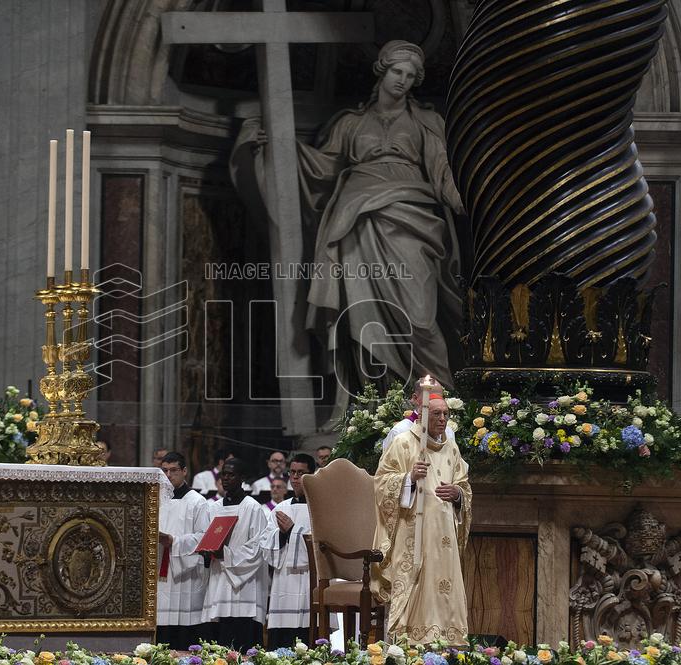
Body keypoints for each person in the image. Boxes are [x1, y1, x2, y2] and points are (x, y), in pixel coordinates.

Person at [233, 40, 465, 406]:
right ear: (382, 71)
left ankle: (440, 399)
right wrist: (276, 146)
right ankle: (373, 405)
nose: (402, 80)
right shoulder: (349, 123)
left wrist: (472, 202)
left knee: (420, 318)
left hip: (411, 220)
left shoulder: (427, 121)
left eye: (410, 75)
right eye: (397, 71)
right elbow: (320, 169)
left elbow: (443, 172)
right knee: (359, 313)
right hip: (354, 222)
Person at [371, 394, 472, 645]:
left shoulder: (452, 447)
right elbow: (381, 483)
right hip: (413, 532)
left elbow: (464, 485)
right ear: (422, 414)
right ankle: (410, 643)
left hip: (445, 535)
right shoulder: (403, 443)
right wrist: (408, 478)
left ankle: (448, 642)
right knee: (418, 584)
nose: (443, 419)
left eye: (446, 414)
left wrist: (458, 494)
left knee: (444, 586)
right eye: (437, 413)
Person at [190, 458, 270, 651]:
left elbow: (258, 548)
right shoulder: (214, 508)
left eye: (231, 475)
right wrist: (206, 552)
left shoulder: (252, 507)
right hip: (218, 580)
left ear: (242, 478)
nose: (225, 478)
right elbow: (206, 538)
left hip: (244, 587)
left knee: (242, 642)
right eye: (223, 474)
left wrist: (225, 554)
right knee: (218, 642)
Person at [157, 452, 212, 649]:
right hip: (160, 570)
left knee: (184, 632)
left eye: (173, 470)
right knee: (161, 625)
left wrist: (174, 541)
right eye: (164, 471)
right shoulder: (156, 499)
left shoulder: (198, 501)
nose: (168, 475)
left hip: (186, 574)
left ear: (184, 471)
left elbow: (204, 538)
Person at [261, 452, 316, 648]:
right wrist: (282, 535)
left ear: (312, 475)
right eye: (292, 472)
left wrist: (293, 530)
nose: (295, 477)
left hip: (309, 580)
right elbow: (265, 544)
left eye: (300, 473)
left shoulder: (320, 508)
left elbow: (322, 544)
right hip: (283, 583)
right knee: (281, 643)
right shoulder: (280, 508)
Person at [381, 377, 455, 450]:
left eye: (440, 398)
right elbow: (390, 457)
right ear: (415, 398)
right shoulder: (400, 431)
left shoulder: (448, 432)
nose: (437, 402)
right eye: (431, 398)